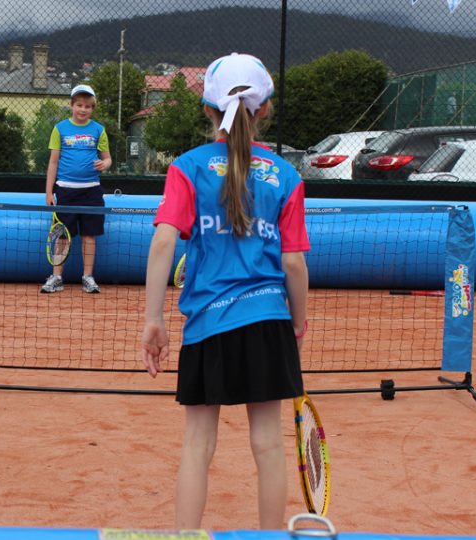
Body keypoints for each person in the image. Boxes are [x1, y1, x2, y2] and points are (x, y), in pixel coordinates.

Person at [140, 53, 310, 530]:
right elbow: (293, 262)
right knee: (269, 445)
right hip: (268, 320)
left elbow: (163, 241)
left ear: (209, 110)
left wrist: (154, 319)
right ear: (264, 111)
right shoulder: (287, 176)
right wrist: (297, 320)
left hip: (208, 323)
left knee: (198, 445)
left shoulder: (187, 168)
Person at [41, 84, 112, 294]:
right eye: (79, 105)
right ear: (72, 105)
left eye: (88, 106)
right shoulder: (60, 129)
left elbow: (107, 159)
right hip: (65, 191)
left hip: (91, 191)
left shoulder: (99, 129)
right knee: (63, 235)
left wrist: (105, 164)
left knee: (89, 236)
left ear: (92, 108)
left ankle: (88, 277)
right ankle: (56, 277)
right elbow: (53, 162)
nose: (83, 109)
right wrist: (48, 192)